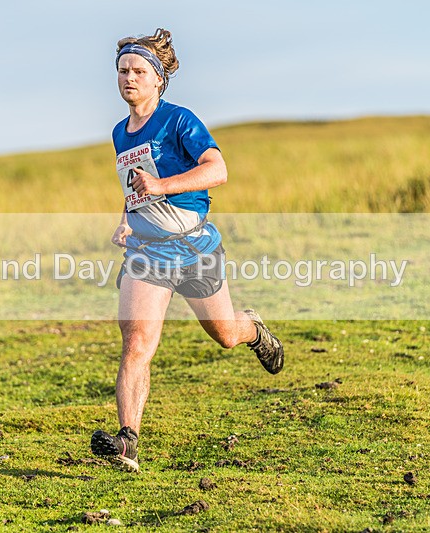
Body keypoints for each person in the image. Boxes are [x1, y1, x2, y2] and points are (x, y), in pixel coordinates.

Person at [90, 28, 284, 472]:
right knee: (137, 341)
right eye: (122, 71)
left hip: (194, 248)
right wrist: (126, 219)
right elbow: (134, 185)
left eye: (139, 70)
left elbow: (218, 170)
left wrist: (163, 185)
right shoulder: (121, 132)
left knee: (225, 335)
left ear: (159, 79)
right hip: (147, 252)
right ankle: (127, 443)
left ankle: (252, 328)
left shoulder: (180, 121)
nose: (129, 78)